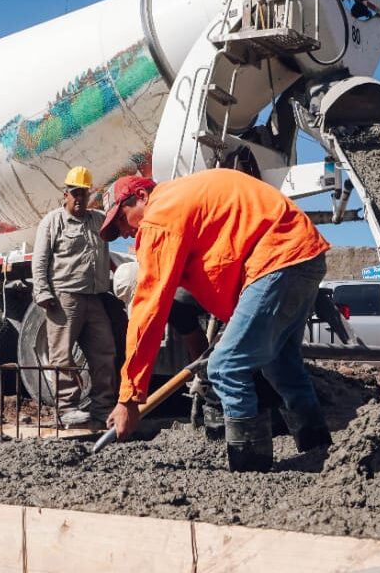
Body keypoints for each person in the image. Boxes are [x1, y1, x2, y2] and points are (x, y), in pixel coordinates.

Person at [100, 169, 332, 472]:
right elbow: (227, 262)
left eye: (122, 218)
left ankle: (250, 468)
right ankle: (319, 452)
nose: (126, 232)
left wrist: (129, 399)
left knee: (226, 367)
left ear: (142, 196)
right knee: (281, 365)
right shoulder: (184, 199)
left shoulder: (160, 216)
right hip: (300, 254)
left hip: (278, 259)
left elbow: (149, 309)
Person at [32, 166, 117, 430]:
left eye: (84, 193)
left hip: (95, 297)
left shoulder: (98, 219)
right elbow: (40, 260)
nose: (80, 198)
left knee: (105, 352)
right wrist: (43, 292)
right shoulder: (52, 222)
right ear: (65, 194)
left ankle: (103, 408)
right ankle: (66, 408)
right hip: (64, 297)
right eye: (75, 193)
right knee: (61, 355)